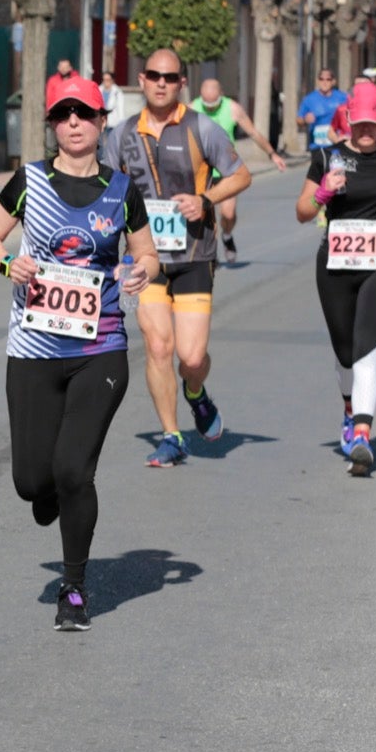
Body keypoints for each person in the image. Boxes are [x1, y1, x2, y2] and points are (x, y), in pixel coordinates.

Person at [0, 73, 159, 630]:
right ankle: (48, 491)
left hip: (100, 346)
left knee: (74, 470)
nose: (73, 122)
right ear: (52, 124)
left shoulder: (121, 189)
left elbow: (147, 254)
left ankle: (74, 589)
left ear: (101, 122)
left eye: (84, 113)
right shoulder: (29, 181)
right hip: (33, 347)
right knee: (33, 482)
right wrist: (9, 263)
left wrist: (141, 271)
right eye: (63, 114)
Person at [100, 48, 251, 467]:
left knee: (192, 357)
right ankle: (171, 434)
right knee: (158, 346)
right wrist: (111, 254)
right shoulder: (123, 134)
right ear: (142, 79)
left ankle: (196, 393)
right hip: (144, 260)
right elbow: (108, 194)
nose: (161, 83)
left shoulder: (201, 128)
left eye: (170, 77)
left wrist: (205, 199)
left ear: (181, 83)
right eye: (153, 75)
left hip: (194, 255)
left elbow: (241, 175)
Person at [298, 83, 376, 476]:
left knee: (368, 348)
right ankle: (350, 408)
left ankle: (363, 434)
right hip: (335, 262)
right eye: (360, 123)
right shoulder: (326, 157)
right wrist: (322, 192)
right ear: (349, 119)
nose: (366, 131)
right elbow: (302, 211)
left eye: (373, 124)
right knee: (344, 352)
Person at [191, 77, 287, 264]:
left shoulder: (232, 108)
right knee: (204, 215)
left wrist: (272, 154)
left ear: (222, 95)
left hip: (227, 172)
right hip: (201, 172)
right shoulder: (192, 108)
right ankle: (210, 253)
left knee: (228, 214)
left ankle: (227, 236)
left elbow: (253, 132)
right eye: (206, 105)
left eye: (214, 104)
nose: (210, 108)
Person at [298, 68, 349, 151]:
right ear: (318, 81)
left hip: (338, 146)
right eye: (321, 79)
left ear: (333, 81)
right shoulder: (309, 99)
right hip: (317, 147)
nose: (324, 82)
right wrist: (305, 120)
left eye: (328, 79)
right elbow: (298, 120)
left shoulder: (343, 98)